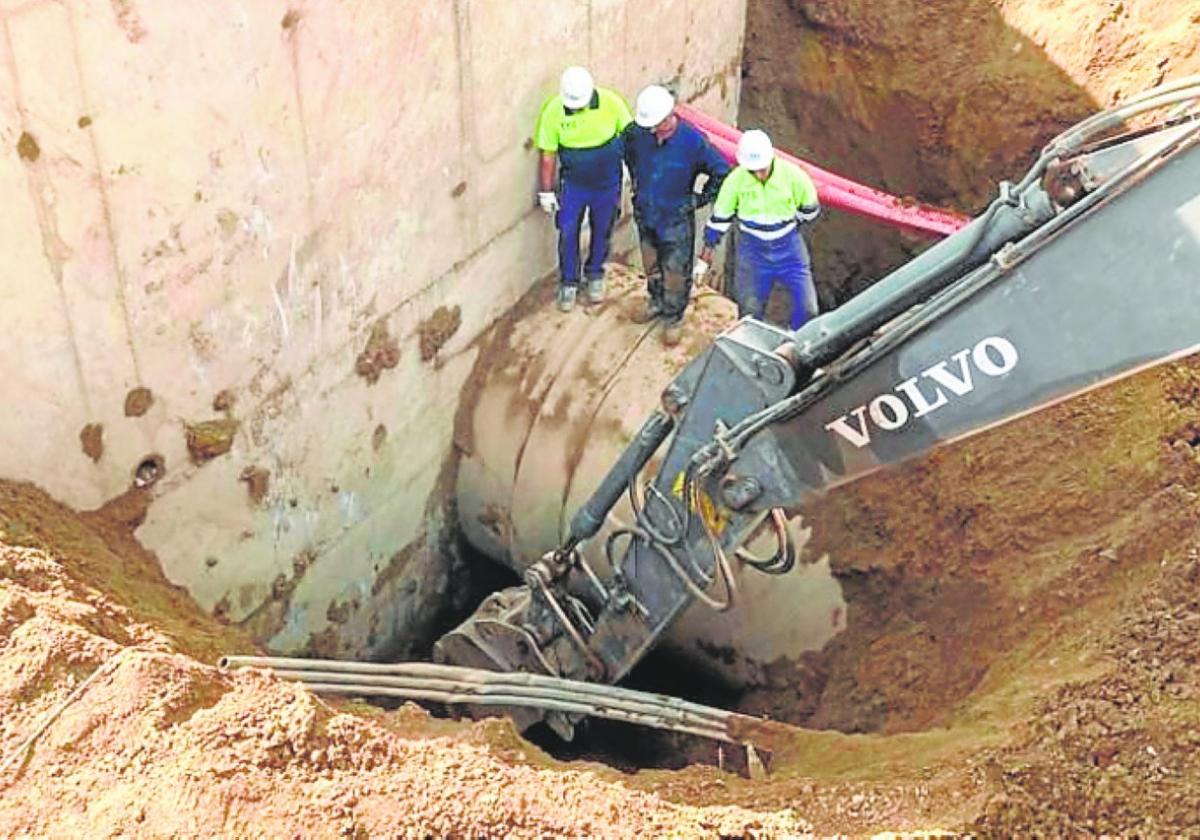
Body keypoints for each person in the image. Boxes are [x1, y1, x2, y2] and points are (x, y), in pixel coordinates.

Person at [623, 85, 730, 346]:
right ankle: (656, 301)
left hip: (675, 220)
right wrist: (636, 182)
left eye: (654, 124)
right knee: (652, 264)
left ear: (668, 117)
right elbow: (625, 152)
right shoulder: (636, 134)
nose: (650, 129)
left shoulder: (692, 142)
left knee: (675, 271)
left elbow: (721, 172)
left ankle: (674, 316)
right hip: (646, 213)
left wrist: (697, 200)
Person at [696, 129, 821, 329]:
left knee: (808, 309)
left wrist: (787, 226)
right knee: (749, 311)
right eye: (753, 170)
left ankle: (795, 342)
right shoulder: (735, 181)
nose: (759, 174)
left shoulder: (794, 177)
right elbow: (718, 222)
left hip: (789, 250)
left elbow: (810, 210)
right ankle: (753, 346)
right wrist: (704, 260)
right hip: (752, 255)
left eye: (762, 168)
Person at [533, 66, 633, 312]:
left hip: (607, 183)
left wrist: (633, 170)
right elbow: (547, 154)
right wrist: (546, 191)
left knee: (603, 229)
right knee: (567, 231)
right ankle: (569, 281)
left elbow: (632, 138)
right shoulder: (554, 111)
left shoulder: (611, 103)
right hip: (574, 185)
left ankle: (595, 274)